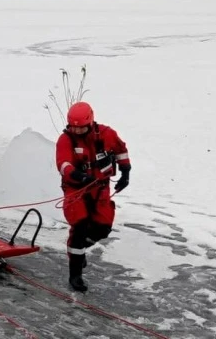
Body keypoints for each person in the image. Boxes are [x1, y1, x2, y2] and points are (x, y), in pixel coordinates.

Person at [55, 101, 131, 292]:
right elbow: (63, 164)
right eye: (73, 127)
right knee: (79, 226)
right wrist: (77, 175)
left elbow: (121, 150)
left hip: (100, 189)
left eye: (80, 128)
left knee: (103, 228)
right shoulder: (65, 140)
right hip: (76, 190)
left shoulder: (107, 134)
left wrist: (125, 172)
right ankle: (75, 274)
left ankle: (78, 251)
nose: (76, 131)